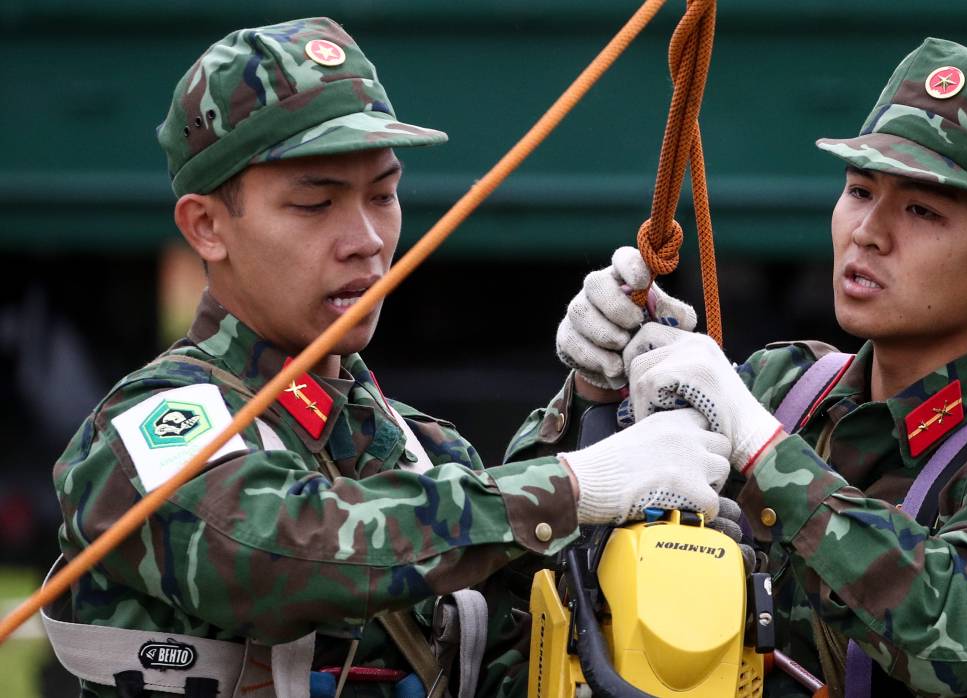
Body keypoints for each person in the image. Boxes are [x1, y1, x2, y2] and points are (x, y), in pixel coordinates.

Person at [47, 17, 730, 698]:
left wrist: (596, 402)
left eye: (384, 195)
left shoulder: (412, 446)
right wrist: (577, 485)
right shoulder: (149, 427)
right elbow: (280, 553)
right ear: (206, 226)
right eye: (316, 204)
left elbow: (507, 625)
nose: (367, 240)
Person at [515, 37, 967, 696]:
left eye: (922, 210)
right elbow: (528, 556)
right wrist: (599, 390)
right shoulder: (785, 387)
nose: (868, 232)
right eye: (859, 189)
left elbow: (965, 634)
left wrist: (763, 450)